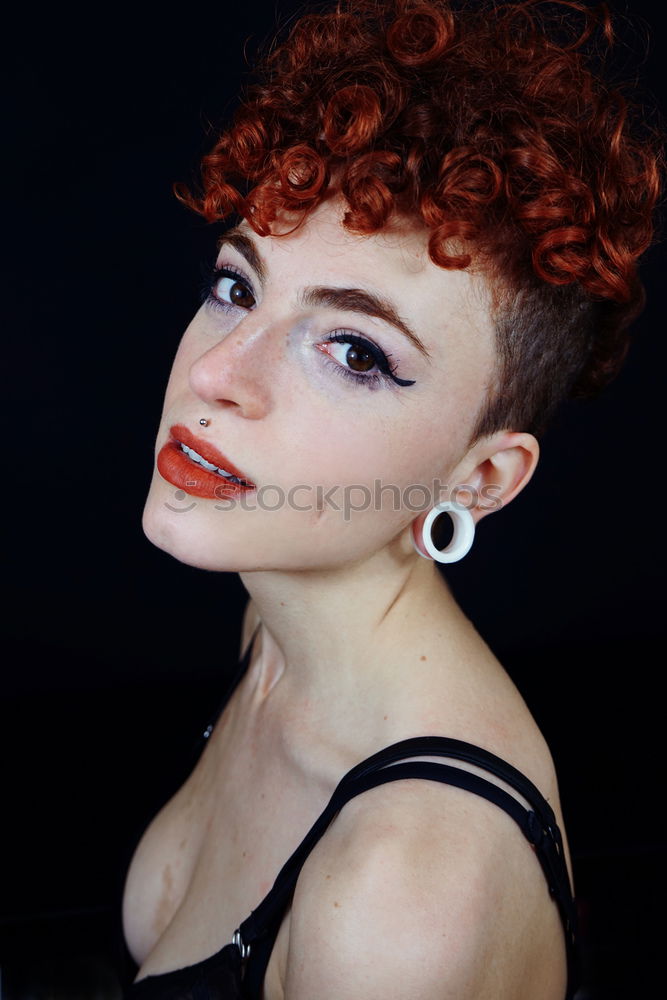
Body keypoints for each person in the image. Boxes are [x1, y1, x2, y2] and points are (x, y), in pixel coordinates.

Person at [120, 1, 662, 997]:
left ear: (481, 477)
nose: (217, 375)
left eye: (354, 352)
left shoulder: (403, 898)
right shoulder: (272, 625)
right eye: (240, 286)